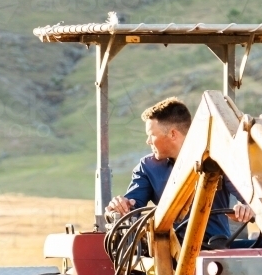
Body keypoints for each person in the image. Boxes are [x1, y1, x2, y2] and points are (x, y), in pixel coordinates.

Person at [106, 97, 253, 247]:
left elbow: (251, 199)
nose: (148, 141)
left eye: (151, 135)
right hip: (168, 252)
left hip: (214, 248)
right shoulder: (147, 167)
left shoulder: (215, 160)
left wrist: (246, 209)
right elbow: (131, 209)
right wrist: (119, 206)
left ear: (173, 134)